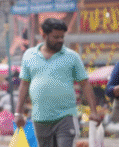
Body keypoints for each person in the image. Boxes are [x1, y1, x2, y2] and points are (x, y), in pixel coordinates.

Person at [15, 17, 103, 147]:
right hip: (40, 118)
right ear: (44, 35)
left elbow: (85, 84)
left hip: (66, 117)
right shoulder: (29, 55)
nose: (60, 40)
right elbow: (24, 85)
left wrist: (94, 111)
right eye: (56, 37)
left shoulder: (72, 56)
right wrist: (18, 113)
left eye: (62, 37)